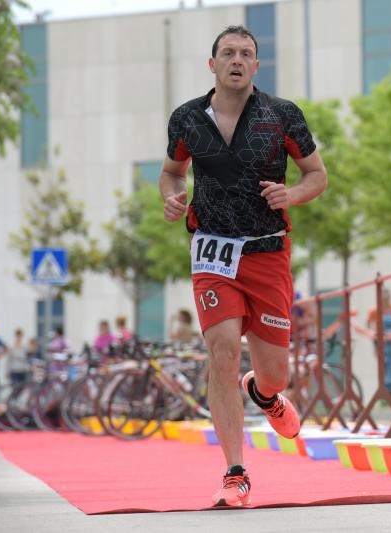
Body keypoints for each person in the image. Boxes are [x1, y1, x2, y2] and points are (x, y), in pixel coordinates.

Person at [158, 25, 327, 508]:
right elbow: (172, 172)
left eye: (246, 53)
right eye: (227, 52)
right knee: (224, 350)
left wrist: (291, 193)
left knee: (275, 373)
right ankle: (235, 473)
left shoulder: (282, 116)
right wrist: (173, 199)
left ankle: (264, 393)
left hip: (267, 251)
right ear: (212, 64)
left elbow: (317, 174)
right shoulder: (187, 118)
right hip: (212, 251)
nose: (237, 59)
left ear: (256, 65)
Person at [366, 288, 391, 398]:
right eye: (383, 297)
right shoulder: (373, 311)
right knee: (383, 368)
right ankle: (384, 394)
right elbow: (371, 328)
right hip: (381, 345)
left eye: (387, 297)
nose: (385, 299)